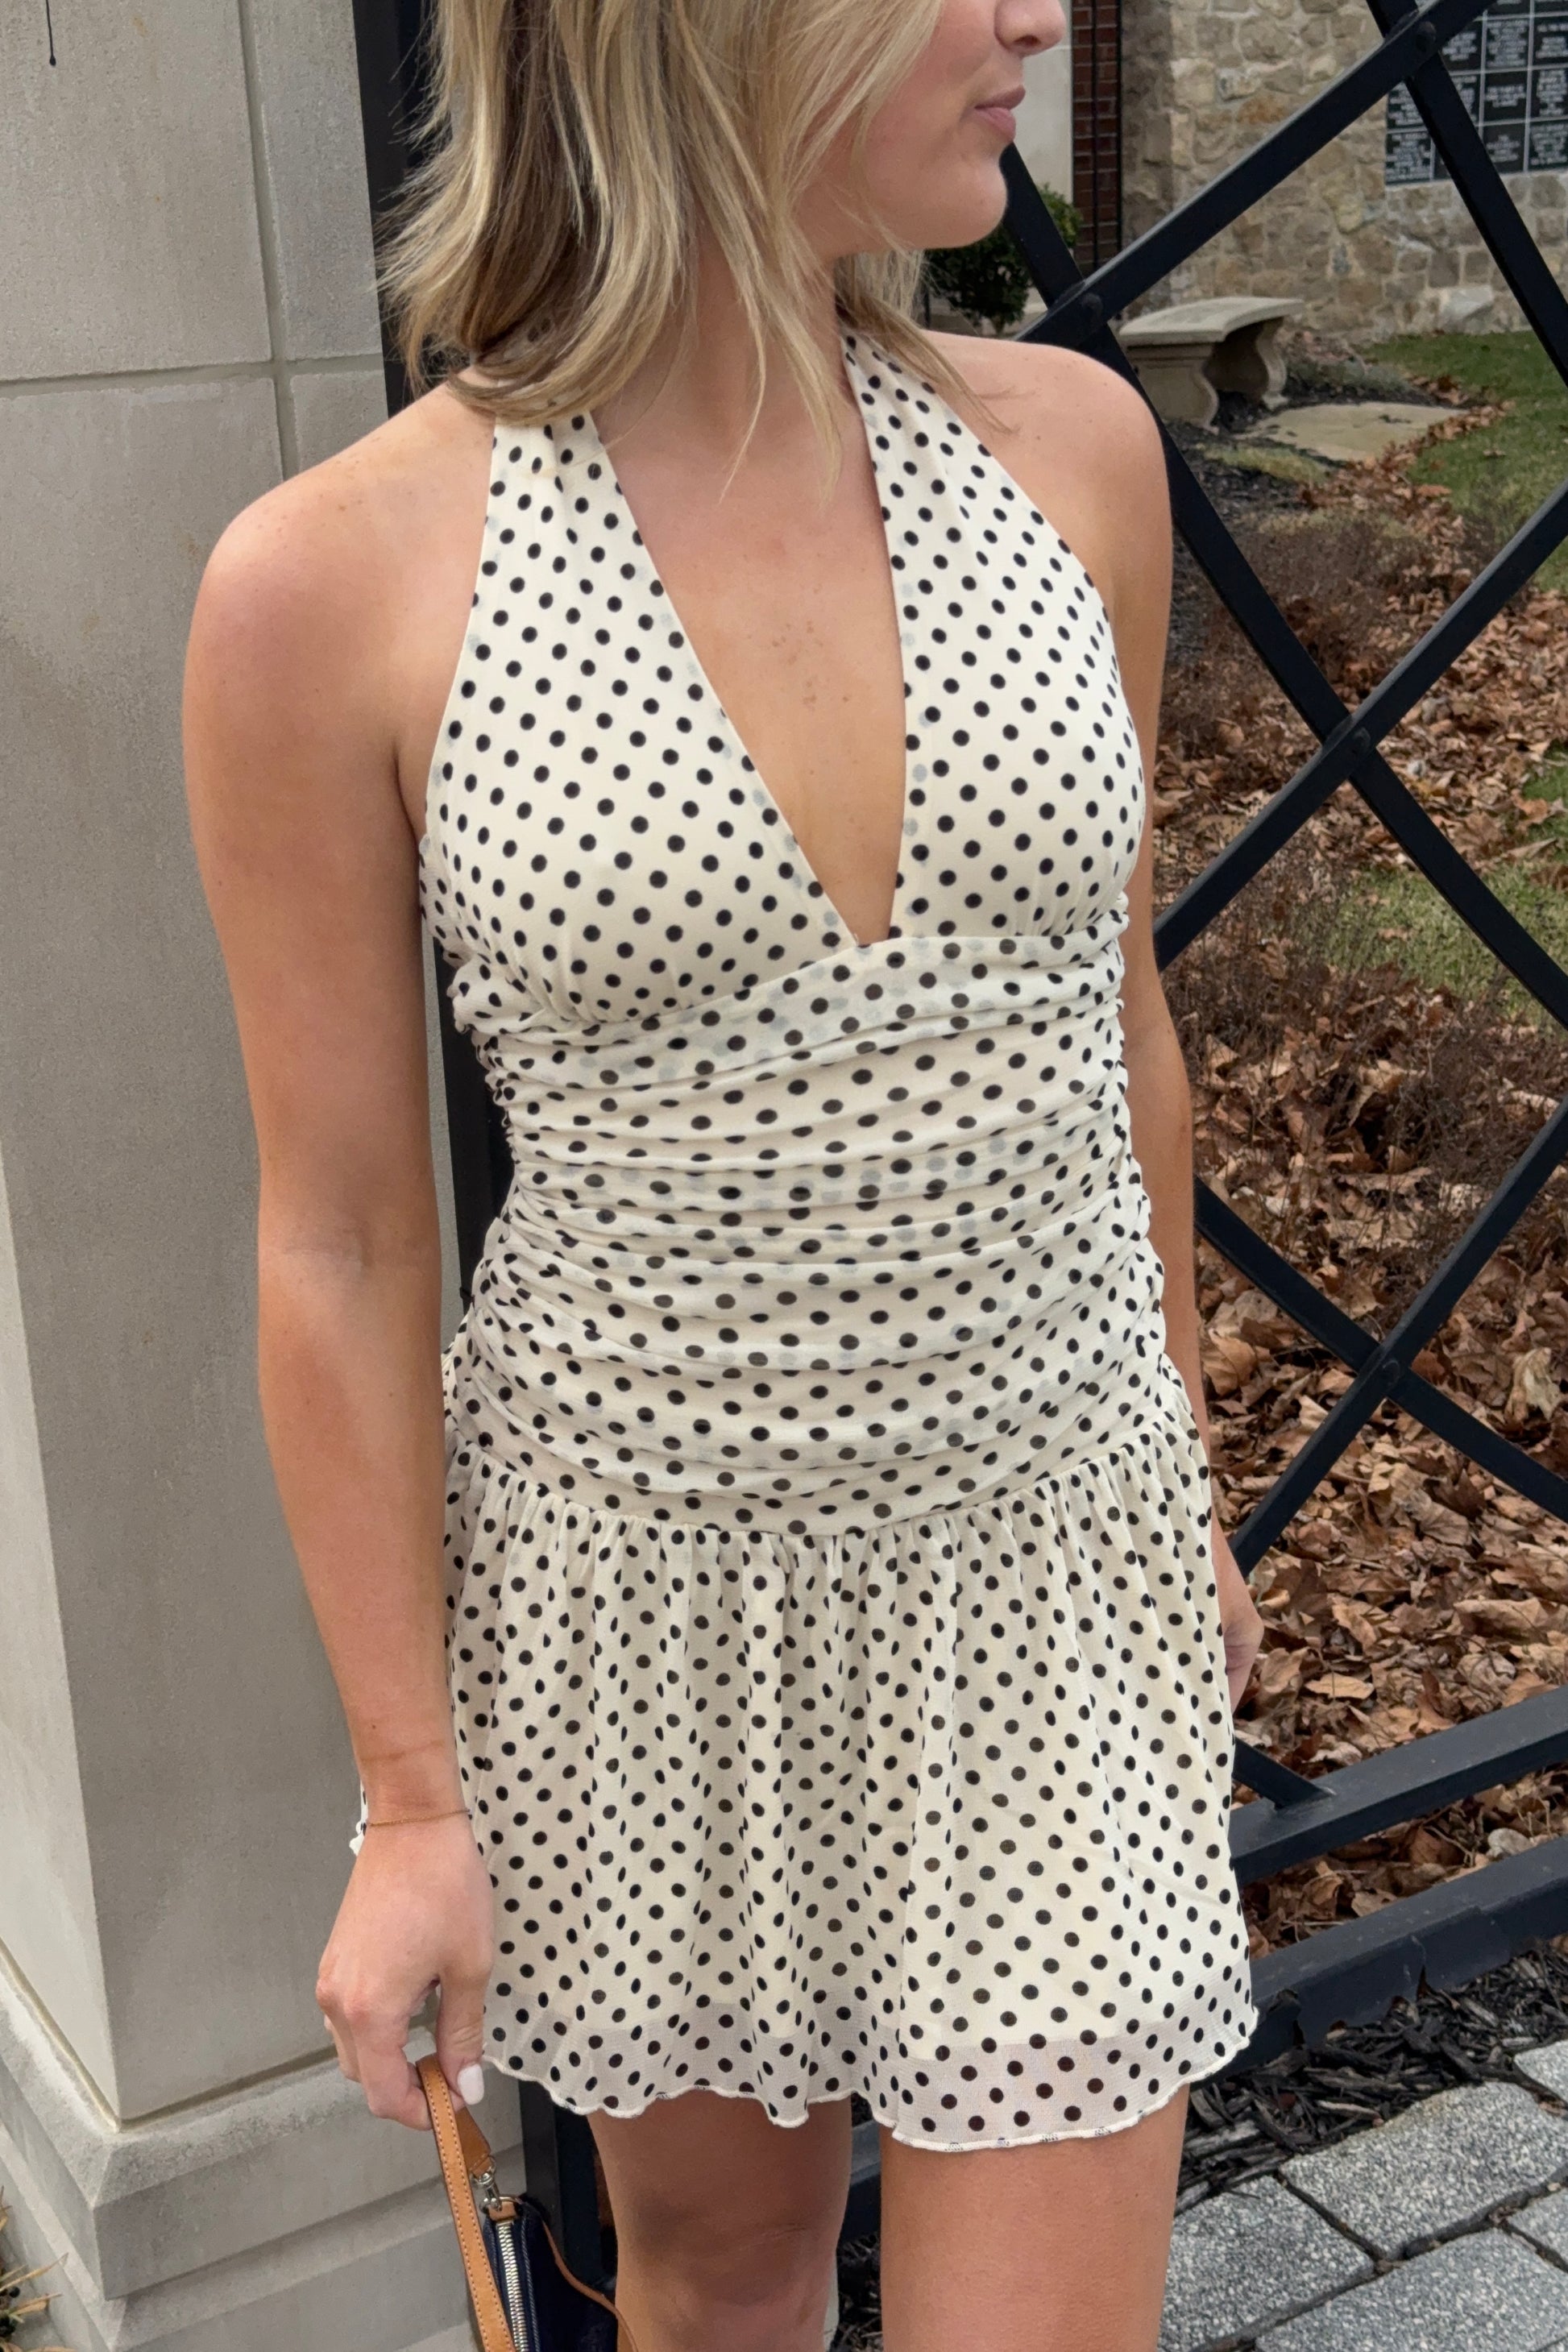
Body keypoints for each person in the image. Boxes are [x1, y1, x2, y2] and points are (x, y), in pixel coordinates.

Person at [184, 0, 1264, 2343]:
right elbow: (343, 1240)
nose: (1036, 22)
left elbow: (1117, 1023)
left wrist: (1179, 1486)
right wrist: (413, 1804)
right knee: (720, 2276)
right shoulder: (330, 585)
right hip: (633, 1614)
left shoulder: (1075, 453)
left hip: (1048, 1575)